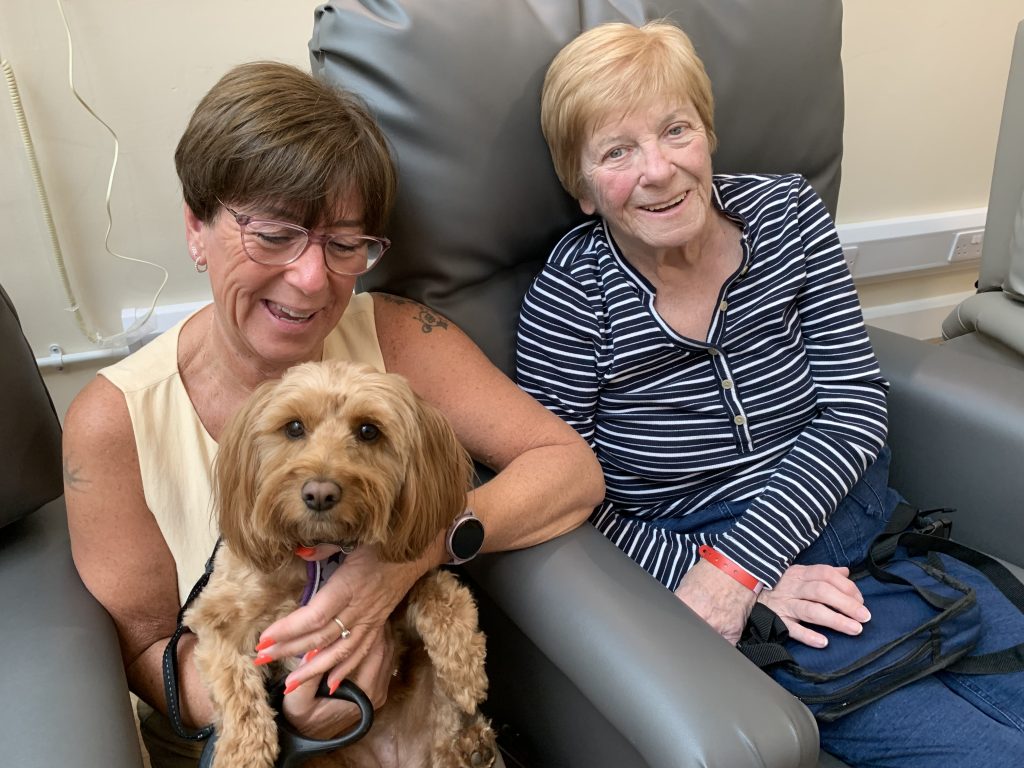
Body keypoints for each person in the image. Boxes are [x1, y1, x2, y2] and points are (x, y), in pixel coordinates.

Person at [63, 61, 603, 768]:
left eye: (345, 243)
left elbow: (569, 470)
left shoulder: (401, 337)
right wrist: (292, 700)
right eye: (274, 234)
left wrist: (407, 560)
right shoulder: (113, 420)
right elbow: (138, 652)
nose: (313, 279)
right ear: (196, 228)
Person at [516, 20, 1024, 768]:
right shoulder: (570, 300)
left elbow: (854, 409)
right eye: (616, 152)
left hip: (860, 527)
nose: (658, 170)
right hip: (705, 566)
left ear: (709, 134)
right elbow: (571, 498)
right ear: (582, 189)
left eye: (675, 129)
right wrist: (731, 581)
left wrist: (741, 567)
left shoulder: (788, 214)